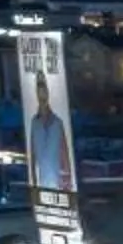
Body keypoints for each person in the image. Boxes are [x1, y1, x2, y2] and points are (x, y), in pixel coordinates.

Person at [25, 69, 74, 200]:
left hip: (58, 182)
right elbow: (32, 154)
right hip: (43, 183)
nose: (42, 96)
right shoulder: (35, 123)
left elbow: (64, 152)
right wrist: (34, 183)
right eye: (39, 92)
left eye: (44, 91)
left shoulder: (57, 123)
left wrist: (67, 181)